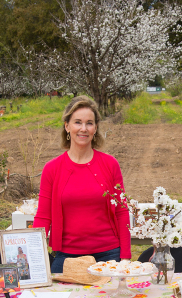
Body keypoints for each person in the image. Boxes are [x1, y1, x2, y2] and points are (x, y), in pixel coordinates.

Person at [33, 96, 131, 273]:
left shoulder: (110, 165)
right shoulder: (52, 169)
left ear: (95, 128)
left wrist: (125, 258)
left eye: (89, 123)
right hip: (67, 257)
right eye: (78, 122)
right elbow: (43, 217)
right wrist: (33, 261)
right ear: (67, 126)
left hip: (109, 256)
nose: (83, 129)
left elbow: (121, 212)